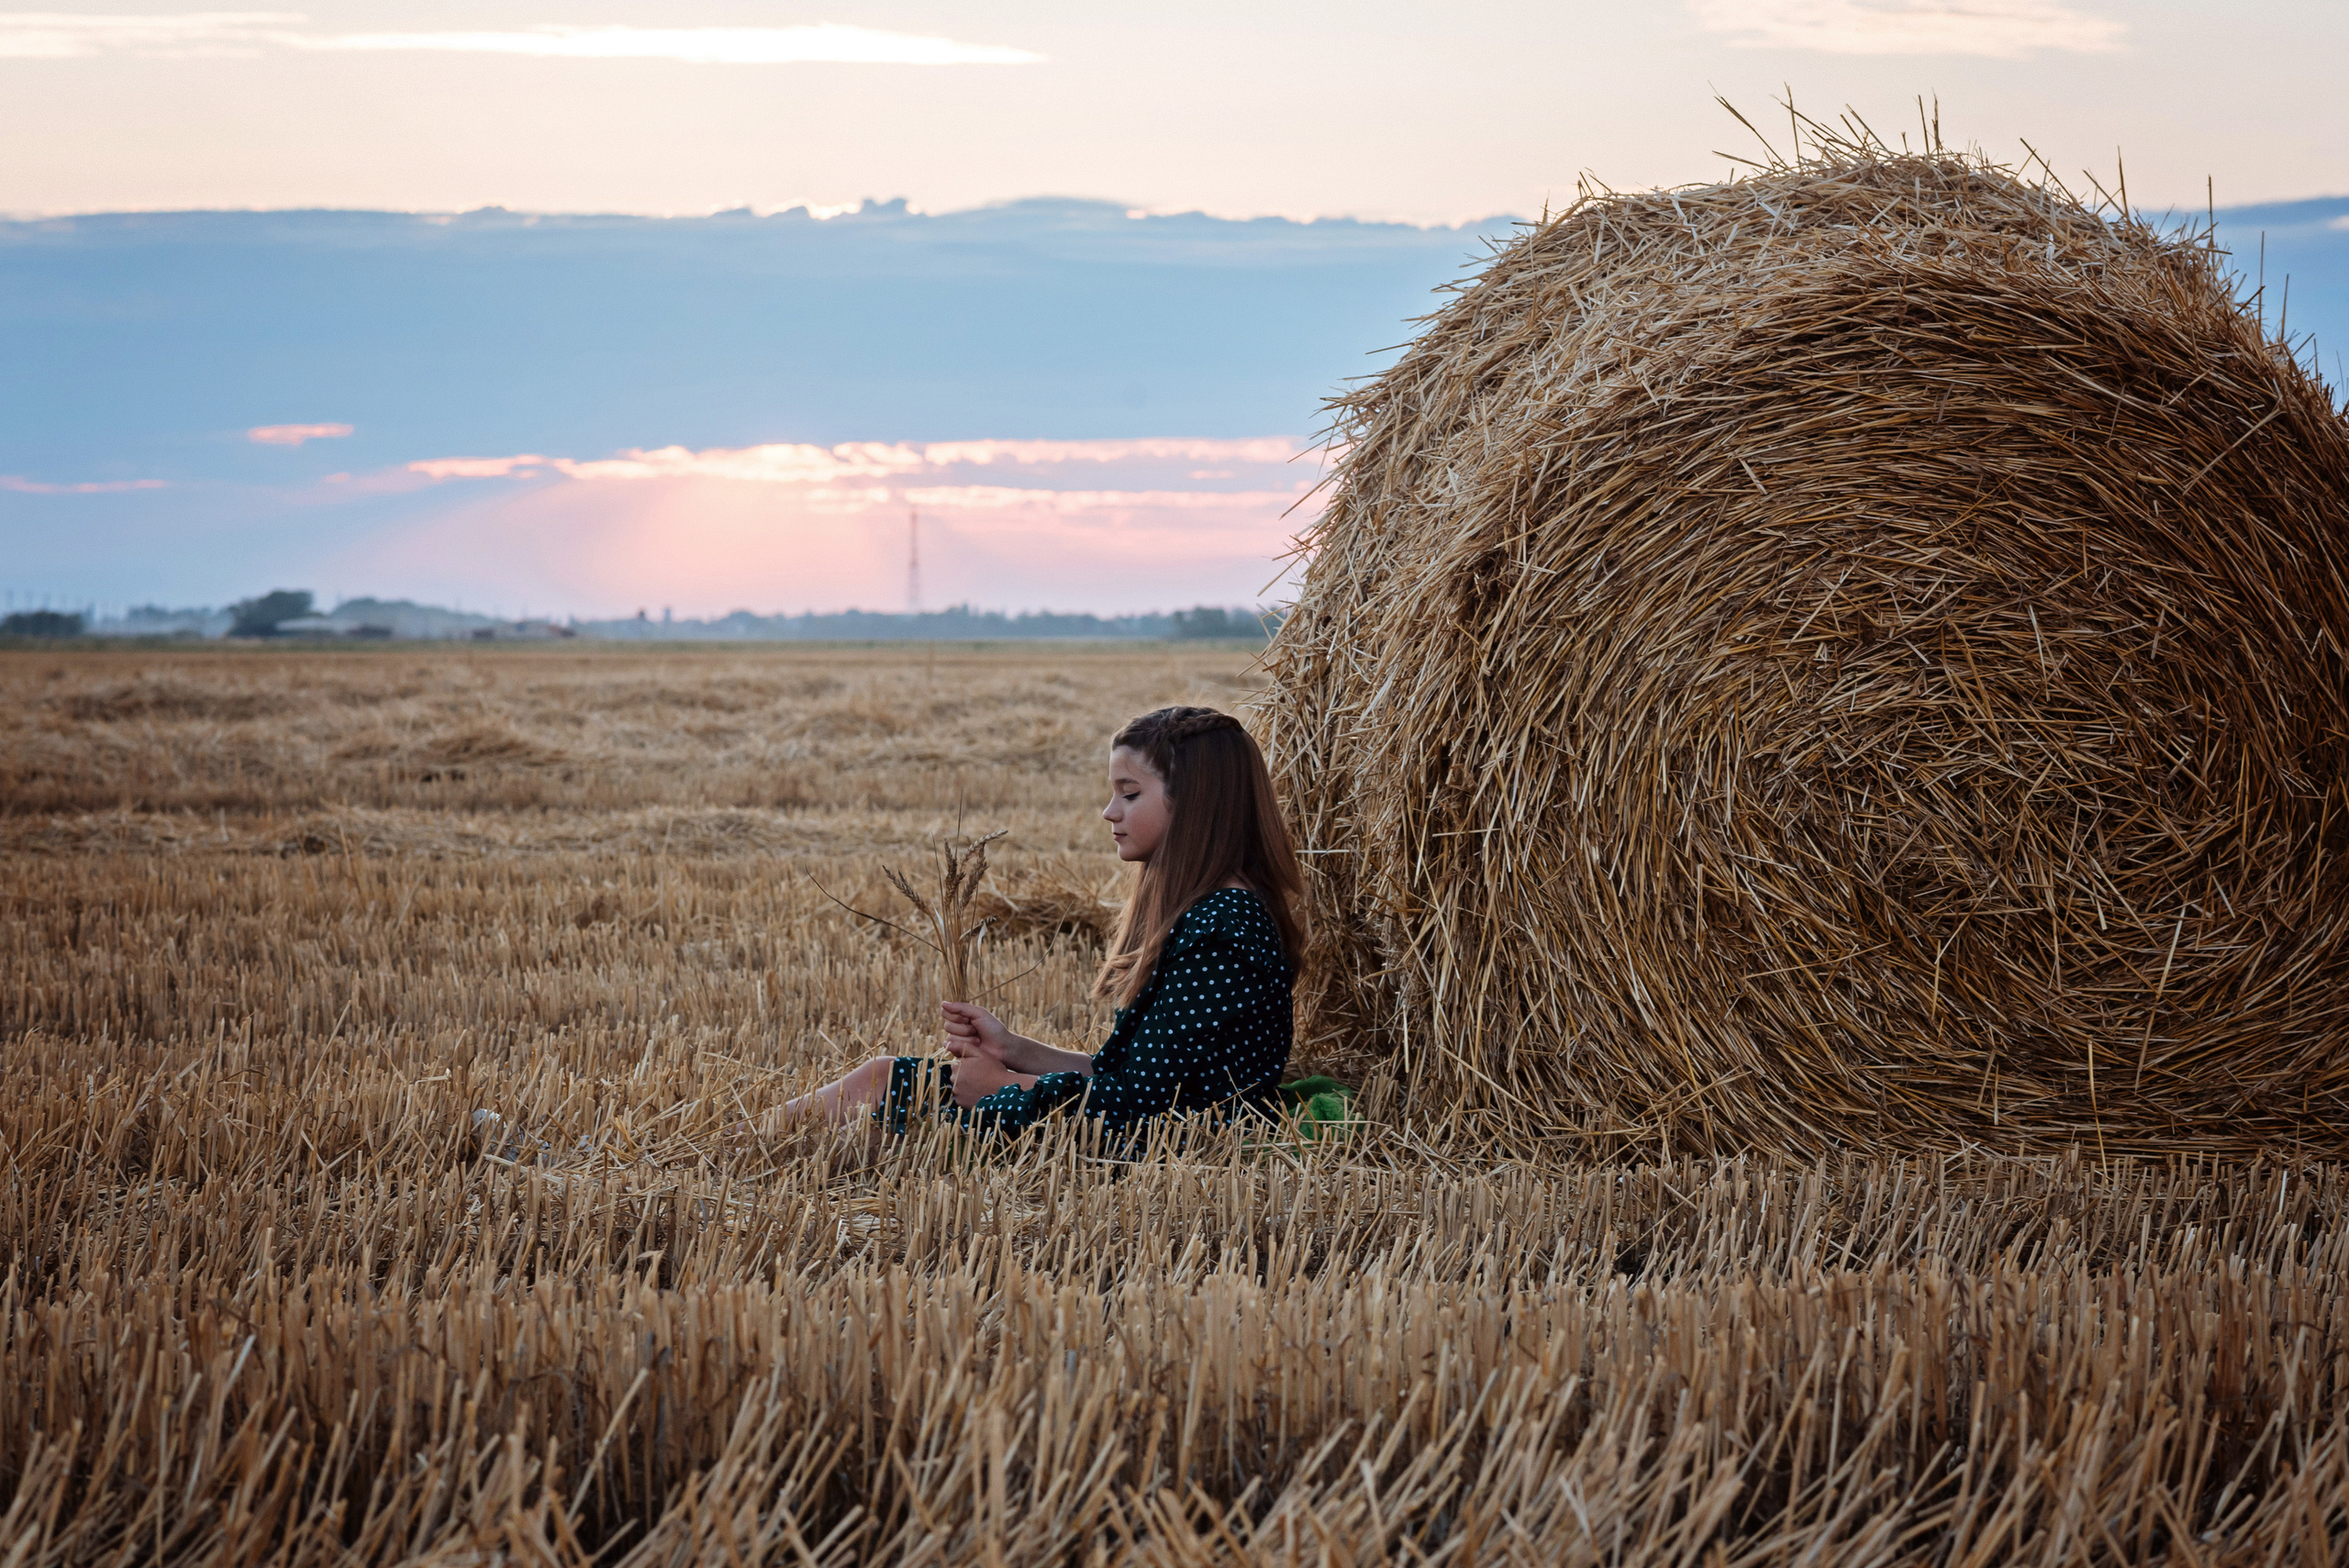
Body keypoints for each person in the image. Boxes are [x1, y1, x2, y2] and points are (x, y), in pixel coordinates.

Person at [757, 705, 1305, 1146]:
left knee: (889, 1133)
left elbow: (1152, 1114)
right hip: (1108, 1119)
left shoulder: (1225, 928)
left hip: (1148, 1148)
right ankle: (729, 1149)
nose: (1109, 812)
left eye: (1129, 793)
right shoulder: (1203, 913)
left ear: (1196, 806)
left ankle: (732, 1165)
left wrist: (1006, 1087)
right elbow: (1122, 1072)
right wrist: (1017, 1049)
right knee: (881, 1077)